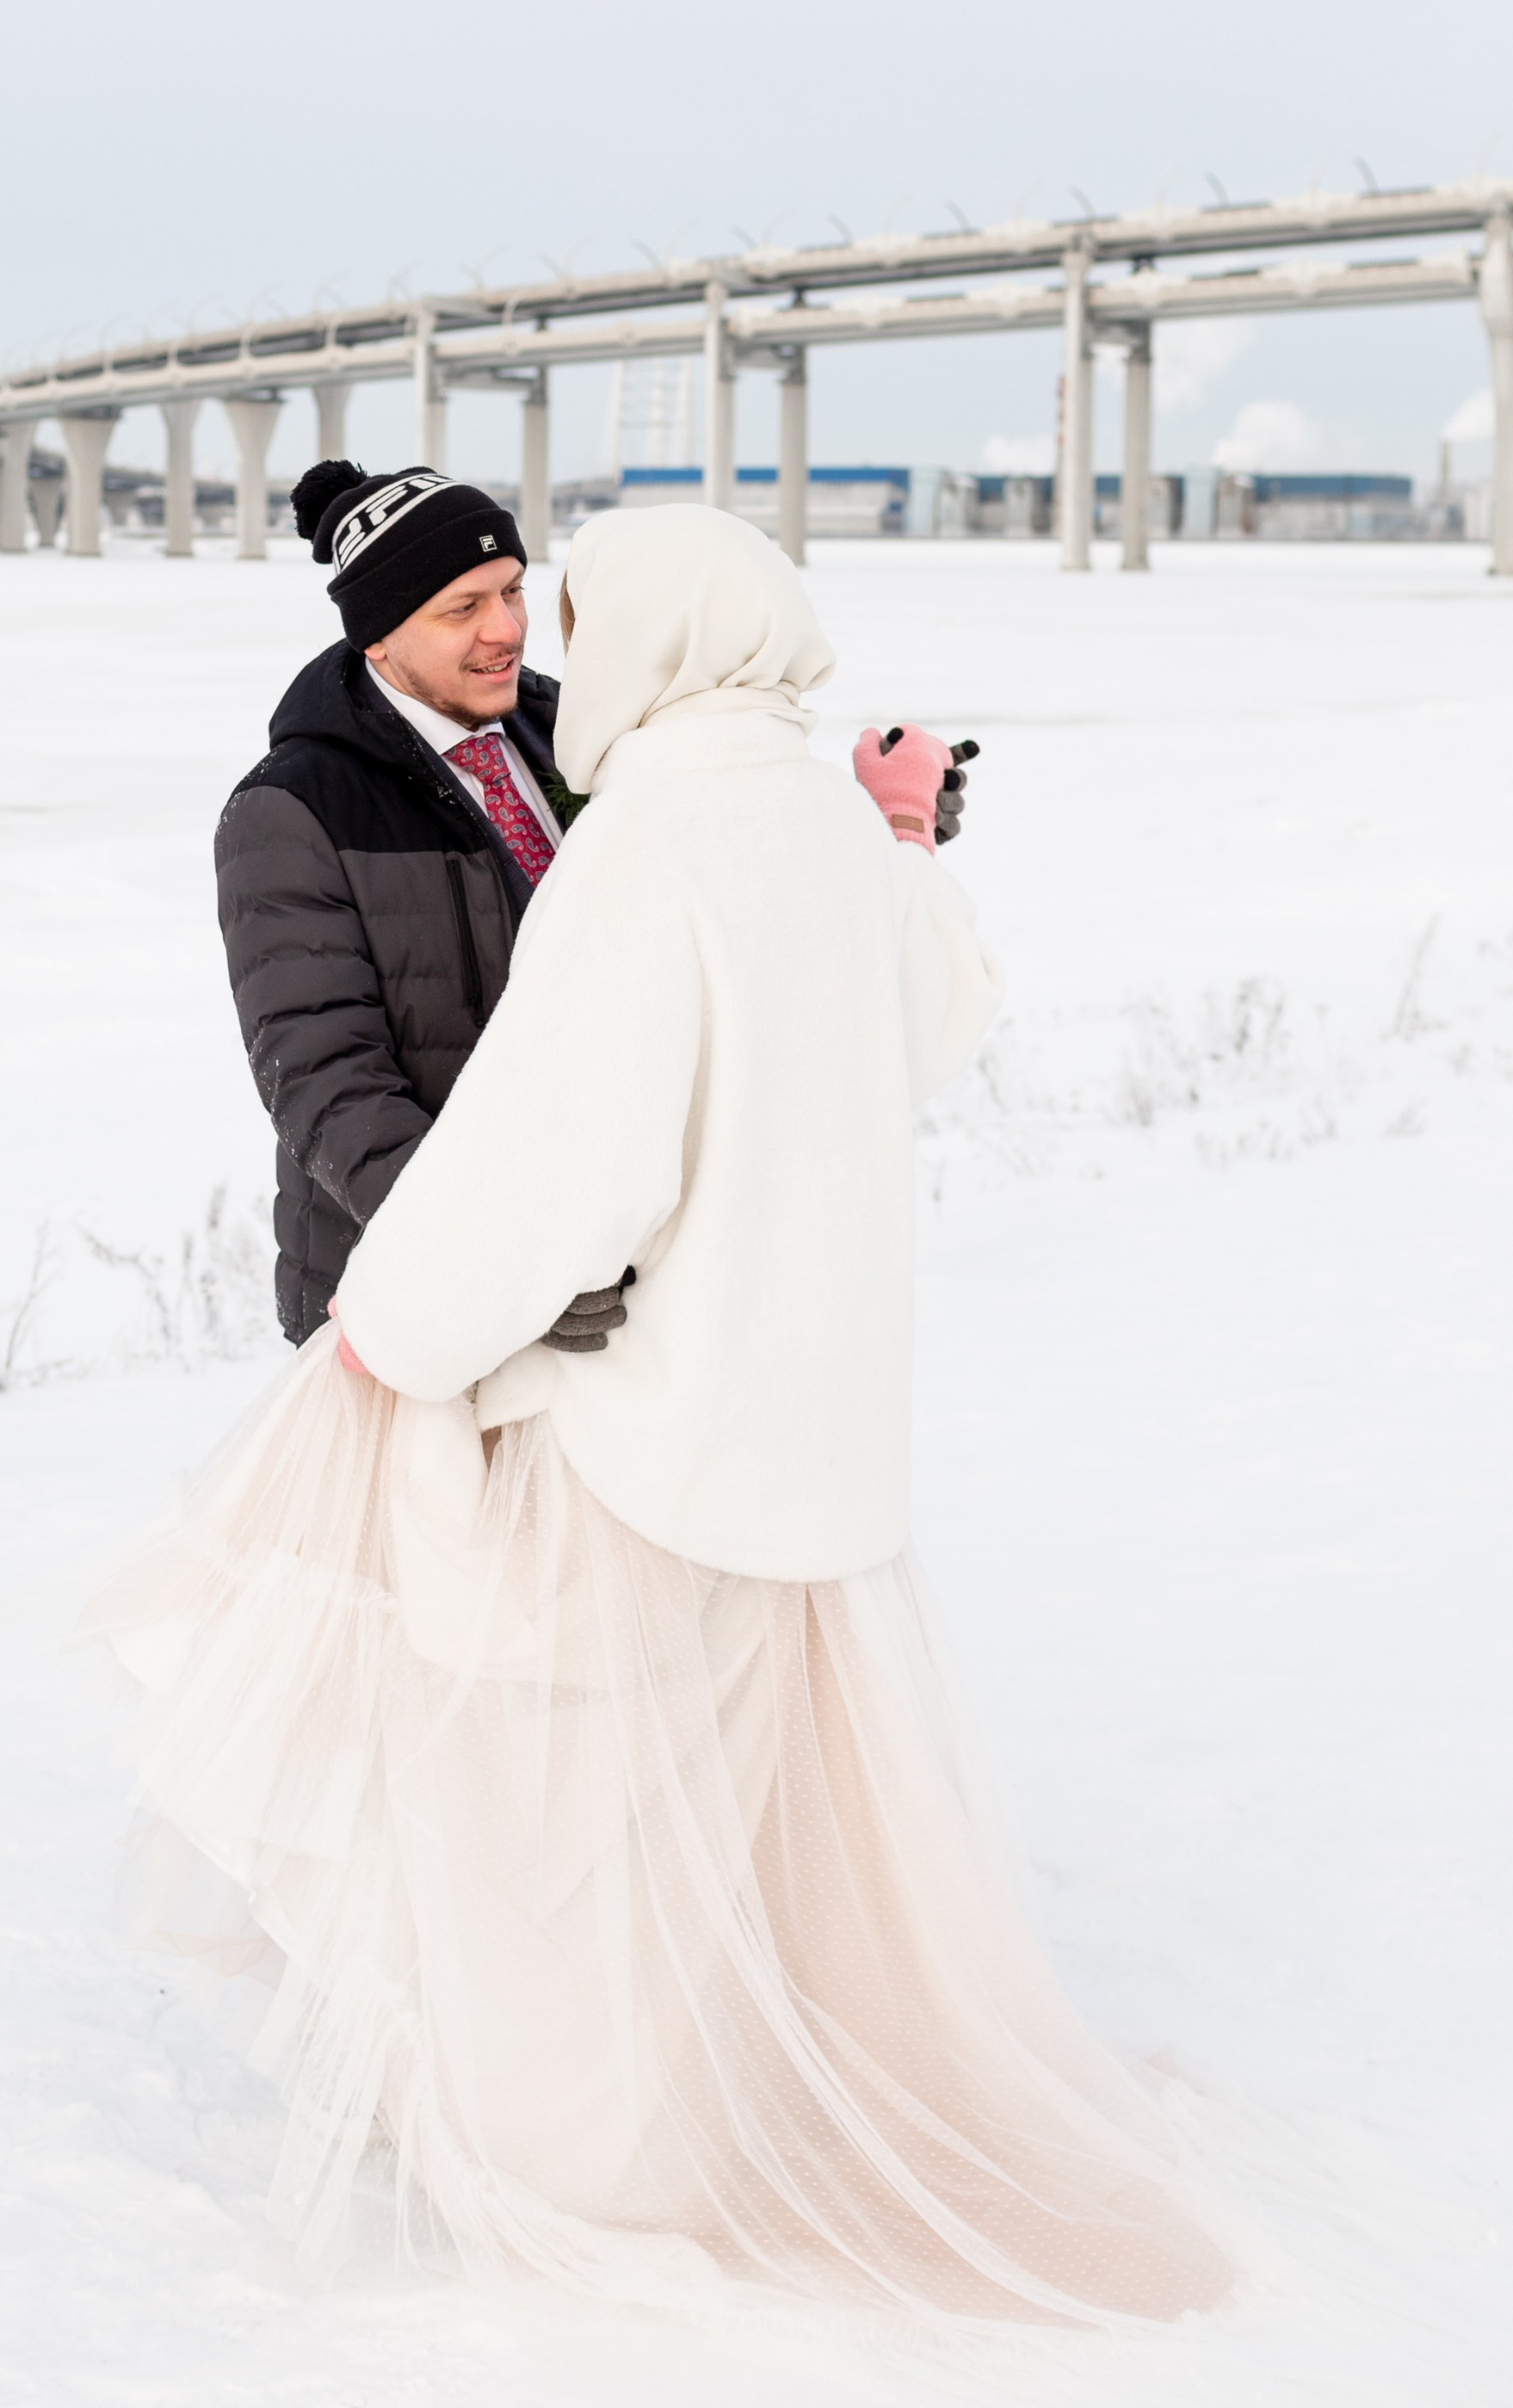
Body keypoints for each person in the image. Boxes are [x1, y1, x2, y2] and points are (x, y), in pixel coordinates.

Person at [98, 502, 1229, 2325]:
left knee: (562, 1786)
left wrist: (417, 1325)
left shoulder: (638, 828)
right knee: (695, 1781)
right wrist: (883, 856)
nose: (518, 635)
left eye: (531, 602)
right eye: (473, 605)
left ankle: (595, 2133)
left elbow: (578, 1148)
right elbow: (916, 1015)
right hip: (780, 1393)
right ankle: (695, 2064)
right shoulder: (722, 809)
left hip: (623, 1382)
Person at [214, 455, 626, 1355]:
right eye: (461, 608)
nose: (506, 630)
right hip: (408, 1288)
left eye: (512, 591)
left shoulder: (578, 737)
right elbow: (326, 1083)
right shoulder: (293, 810)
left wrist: (880, 826)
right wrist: (495, 1257)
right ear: (379, 636)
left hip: (600, 1254)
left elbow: (715, 878)